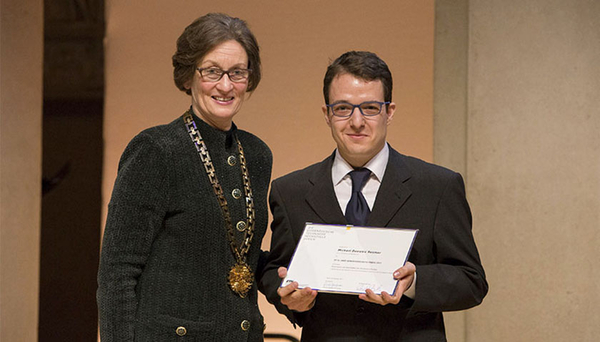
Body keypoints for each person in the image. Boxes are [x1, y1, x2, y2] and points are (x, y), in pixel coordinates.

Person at [259, 51, 488, 341]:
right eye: (342, 108)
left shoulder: (438, 186)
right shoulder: (290, 191)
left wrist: (415, 282)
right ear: (327, 114)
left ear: (389, 112)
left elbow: (471, 281)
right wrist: (290, 300)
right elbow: (274, 270)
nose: (356, 121)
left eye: (369, 107)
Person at [97, 13, 272, 341]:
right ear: (188, 75)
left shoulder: (257, 154)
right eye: (212, 71)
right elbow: (117, 273)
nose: (225, 85)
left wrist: (292, 280)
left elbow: (240, 254)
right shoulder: (156, 150)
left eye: (237, 73)